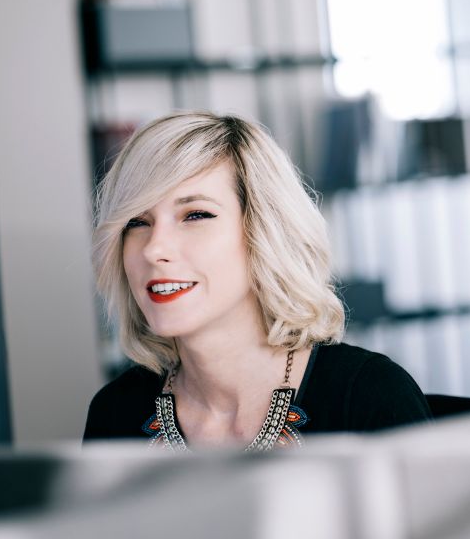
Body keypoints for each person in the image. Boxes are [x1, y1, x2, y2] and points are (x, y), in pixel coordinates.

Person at [83, 112, 432, 449]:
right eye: (136, 222)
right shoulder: (114, 414)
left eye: (195, 215)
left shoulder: (370, 397)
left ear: (264, 231)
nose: (153, 249)